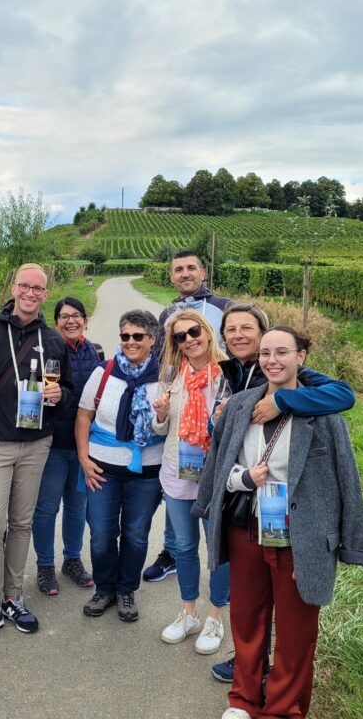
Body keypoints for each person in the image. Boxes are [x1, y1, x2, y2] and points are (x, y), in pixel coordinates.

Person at [197, 327, 363, 719]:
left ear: (301, 357)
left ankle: (282, 708)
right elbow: (218, 467)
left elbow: (348, 481)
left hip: (302, 537)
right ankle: (243, 699)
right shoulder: (241, 406)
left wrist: (353, 542)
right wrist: (240, 480)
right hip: (247, 530)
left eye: (282, 352)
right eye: (265, 353)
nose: (272, 360)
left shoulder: (326, 417)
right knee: (247, 618)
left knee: (295, 630)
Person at [0, 263, 73, 645]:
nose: (30, 293)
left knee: (21, 523)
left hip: (36, 443)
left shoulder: (53, 340)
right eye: (24, 286)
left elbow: (67, 390)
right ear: (13, 287)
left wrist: (60, 395)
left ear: (45, 293)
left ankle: (13, 597)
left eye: (38, 288)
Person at [144, 250, 234, 586]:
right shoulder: (168, 311)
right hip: (183, 422)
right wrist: (165, 396)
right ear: (171, 276)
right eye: (178, 269)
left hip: (217, 398)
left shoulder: (225, 306)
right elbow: (163, 358)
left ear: (203, 271)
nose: (185, 273)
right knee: (179, 491)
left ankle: (222, 586)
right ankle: (172, 553)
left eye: (191, 268)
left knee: (215, 513)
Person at [76, 310, 166, 623]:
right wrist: (85, 460)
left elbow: (168, 428)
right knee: (101, 533)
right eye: (125, 336)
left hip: (146, 472)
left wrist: (164, 415)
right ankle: (105, 588)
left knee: (136, 534)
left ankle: (126, 589)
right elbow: (84, 416)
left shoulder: (166, 378)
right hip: (102, 470)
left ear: (152, 340)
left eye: (137, 336)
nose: (130, 342)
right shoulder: (104, 372)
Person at [150, 310, 230, 652]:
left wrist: (220, 421)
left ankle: (215, 617)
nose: (189, 339)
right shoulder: (171, 377)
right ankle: (188, 612)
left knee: (217, 551)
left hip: (215, 477)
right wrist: (161, 415)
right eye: (181, 337)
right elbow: (162, 430)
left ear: (208, 332)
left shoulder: (229, 375)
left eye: (194, 331)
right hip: (177, 473)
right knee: (183, 546)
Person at [32, 296, 102, 595]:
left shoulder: (96, 351)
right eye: (64, 316)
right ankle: (45, 564)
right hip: (53, 441)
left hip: (84, 446)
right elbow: (32, 393)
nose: (70, 321)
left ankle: (71, 560)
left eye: (76, 315)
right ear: (56, 321)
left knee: (77, 506)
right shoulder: (44, 350)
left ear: (85, 320)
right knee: (46, 507)